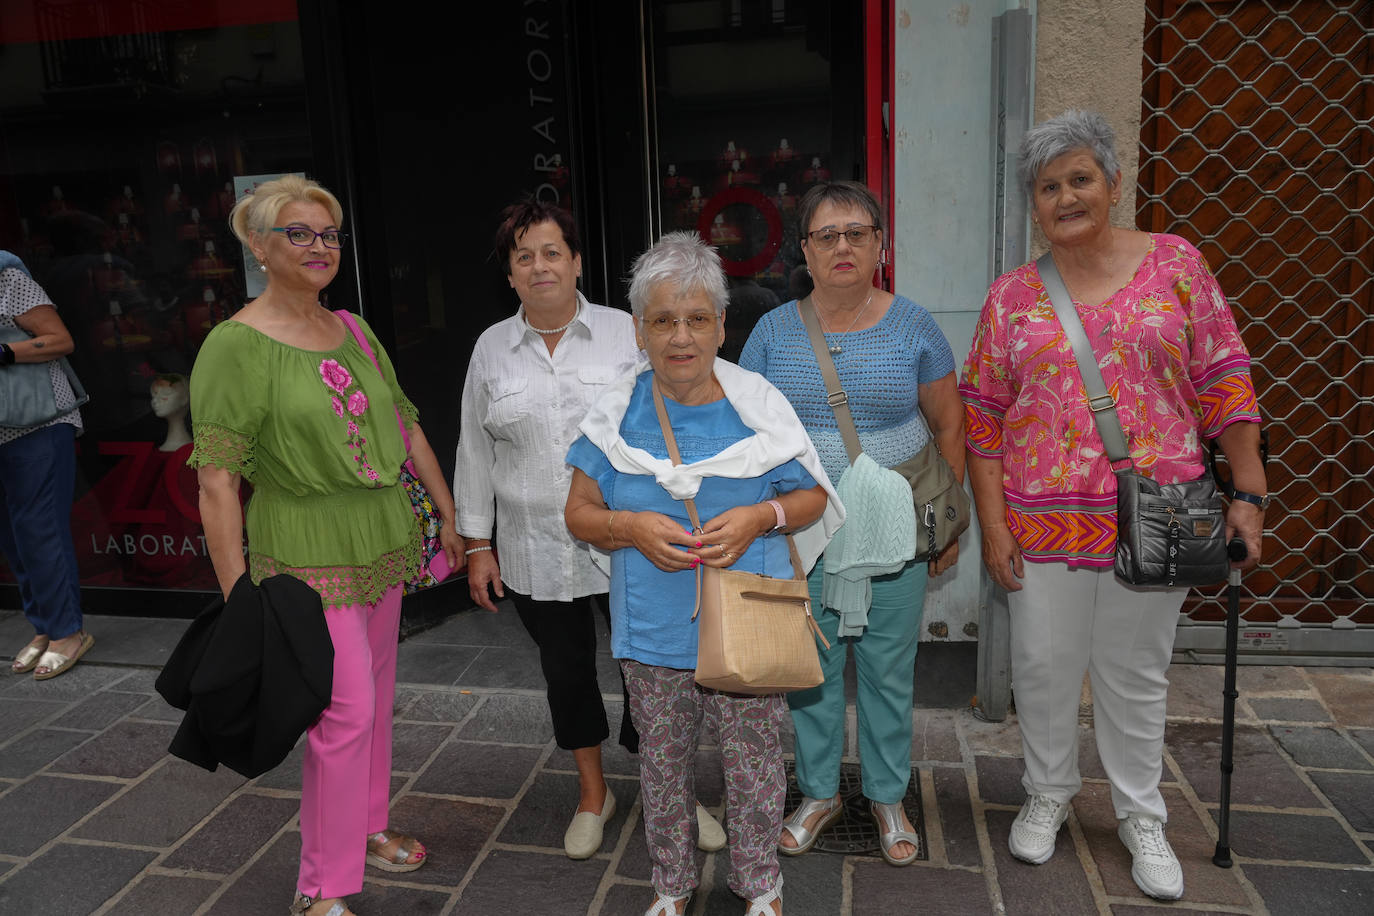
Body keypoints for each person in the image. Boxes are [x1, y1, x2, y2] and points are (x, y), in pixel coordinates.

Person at [959, 110, 1266, 902]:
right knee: (1044, 666)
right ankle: (1048, 792)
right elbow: (982, 417)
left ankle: (1140, 814)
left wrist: (1249, 491)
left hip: (1159, 514)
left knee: (1135, 672)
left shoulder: (1177, 264)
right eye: (1048, 187)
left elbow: (1224, 376)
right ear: (1034, 204)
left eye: (1079, 179)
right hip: (1041, 520)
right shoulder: (1011, 297)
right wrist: (991, 523)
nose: (1065, 197)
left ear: (1113, 183)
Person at [188, 175, 463, 916]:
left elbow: (405, 426)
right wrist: (239, 600)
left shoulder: (354, 328)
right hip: (305, 548)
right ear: (259, 246)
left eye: (329, 234)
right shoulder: (234, 345)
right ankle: (320, 887)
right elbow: (217, 483)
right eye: (299, 233)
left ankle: (367, 826)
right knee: (344, 715)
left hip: (382, 535)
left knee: (374, 701)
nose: (320, 246)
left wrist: (448, 514)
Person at [565, 231, 843, 916]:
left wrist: (760, 517)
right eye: (663, 320)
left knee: (753, 767)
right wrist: (630, 527)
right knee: (662, 769)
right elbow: (578, 512)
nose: (681, 336)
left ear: (721, 324)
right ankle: (671, 886)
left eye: (696, 318)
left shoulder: (759, 406)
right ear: (639, 331)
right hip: (653, 632)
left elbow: (812, 498)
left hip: (748, 624)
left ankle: (760, 886)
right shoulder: (615, 413)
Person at [454, 200, 725, 860]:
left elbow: (677, 410)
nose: (539, 266)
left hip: (628, 541)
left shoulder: (625, 332)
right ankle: (591, 794)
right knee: (566, 673)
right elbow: (474, 451)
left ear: (577, 262)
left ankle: (671, 791)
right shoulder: (491, 348)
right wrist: (478, 543)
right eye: (523, 257)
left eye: (552, 252)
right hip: (533, 549)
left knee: (652, 672)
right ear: (509, 275)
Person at [739, 180, 964, 867]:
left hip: (896, 531)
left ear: (879, 245)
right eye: (826, 235)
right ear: (804, 251)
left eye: (856, 233)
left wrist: (948, 526)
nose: (842, 246)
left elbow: (949, 424)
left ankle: (887, 796)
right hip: (802, 533)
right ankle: (818, 793)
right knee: (812, 668)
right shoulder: (772, 333)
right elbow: (747, 432)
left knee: (888, 669)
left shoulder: (914, 326)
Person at [1, 251, 92, 681]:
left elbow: (59, 340)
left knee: (40, 529)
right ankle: (44, 627)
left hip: (39, 420)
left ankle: (67, 631)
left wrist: (5, 351)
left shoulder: (5, 275)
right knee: (13, 534)